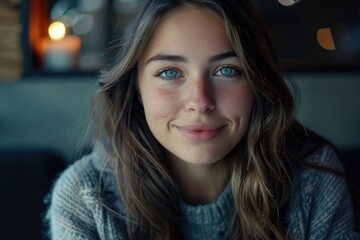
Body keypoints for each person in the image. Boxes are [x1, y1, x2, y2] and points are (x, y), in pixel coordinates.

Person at [46, 0, 359, 239]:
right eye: (169, 72)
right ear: (136, 88)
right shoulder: (87, 197)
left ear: (257, 82)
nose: (200, 102)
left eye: (226, 70)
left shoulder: (313, 181)